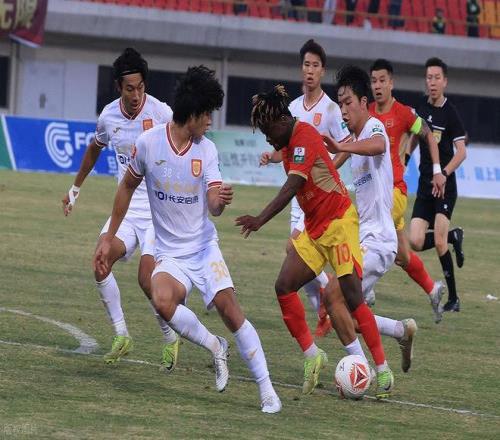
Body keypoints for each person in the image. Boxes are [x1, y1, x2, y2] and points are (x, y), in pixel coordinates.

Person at [94, 65, 281, 414]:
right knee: (161, 300)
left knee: (230, 310)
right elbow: (126, 188)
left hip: (203, 248)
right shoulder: (148, 144)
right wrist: (109, 235)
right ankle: (215, 346)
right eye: (207, 114)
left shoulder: (206, 150)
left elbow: (213, 206)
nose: (210, 121)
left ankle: (267, 389)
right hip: (170, 253)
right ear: (193, 113)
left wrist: (220, 202)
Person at [237, 84, 394, 399]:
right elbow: (286, 163)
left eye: (269, 131)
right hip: (314, 227)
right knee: (283, 286)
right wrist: (272, 153)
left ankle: (382, 369)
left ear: (283, 121)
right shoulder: (288, 141)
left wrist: (260, 219)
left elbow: (292, 186)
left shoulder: (305, 136)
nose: (267, 138)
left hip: (339, 223)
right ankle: (313, 355)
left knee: (352, 297)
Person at [61, 48, 179, 369]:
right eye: (129, 89)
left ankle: (170, 337)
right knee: (100, 262)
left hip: (158, 212)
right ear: (118, 87)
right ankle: (122, 335)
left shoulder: (162, 113)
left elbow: (186, 143)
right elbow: (94, 149)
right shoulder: (108, 116)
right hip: (126, 209)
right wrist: (75, 189)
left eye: (140, 87)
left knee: (146, 279)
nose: (136, 95)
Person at [322, 65, 417, 374]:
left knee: (334, 297)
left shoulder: (374, 127)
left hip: (379, 240)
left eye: (348, 102)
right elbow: (332, 165)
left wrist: (341, 145)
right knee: (344, 311)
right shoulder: (353, 136)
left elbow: (378, 145)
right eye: (340, 103)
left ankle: (367, 371)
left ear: (364, 102)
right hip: (363, 238)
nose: (343, 110)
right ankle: (399, 331)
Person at [260, 39, 351, 338]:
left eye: (315, 65)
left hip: (320, 194)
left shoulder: (331, 109)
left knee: (292, 247)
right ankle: (323, 310)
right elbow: (286, 147)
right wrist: (272, 156)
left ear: (322, 71)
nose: (310, 70)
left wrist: (328, 169)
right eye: (306, 65)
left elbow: (346, 144)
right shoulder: (293, 107)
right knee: (298, 256)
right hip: (299, 195)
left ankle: (331, 294)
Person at [368, 58, 445, 323]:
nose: (378, 86)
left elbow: (428, 134)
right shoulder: (367, 112)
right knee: (402, 255)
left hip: (394, 193)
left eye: (382, 81)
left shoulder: (403, 113)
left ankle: (364, 289)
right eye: (374, 81)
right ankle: (433, 289)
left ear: (391, 83)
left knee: (365, 232)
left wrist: (437, 169)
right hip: (372, 193)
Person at [409, 57, 467, 313]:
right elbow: (415, 135)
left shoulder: (450, 112)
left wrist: (443, 173)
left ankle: (453, 299)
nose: (432, 82)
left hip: (444, 187)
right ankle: (454, 236)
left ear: (445, 82)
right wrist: (406, 157)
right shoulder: (421, 107)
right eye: (429, 78)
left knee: (440, 242)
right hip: (424, 185)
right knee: (415, 241)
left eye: (436, 78)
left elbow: (462, 152)